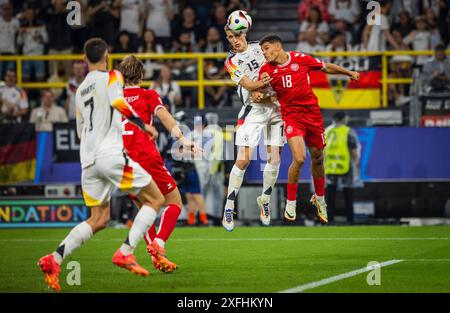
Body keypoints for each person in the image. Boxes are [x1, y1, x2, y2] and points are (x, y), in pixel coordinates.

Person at [37, 38, 164, 292]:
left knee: (99, 218)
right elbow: (119, 103)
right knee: (155, 199)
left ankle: (54, 258)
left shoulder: (80, 89)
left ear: (84, 58)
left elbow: (80, 130)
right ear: (106, 55)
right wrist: (144, 125)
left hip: (88, 160)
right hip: (110, 154)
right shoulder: (112, 76)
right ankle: (126, 252)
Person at [256, 35, 359, 224]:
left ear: (278, 47)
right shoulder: (265, 70)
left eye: (267, 48)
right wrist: (261, 89)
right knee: (300, 158)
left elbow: (326, 67)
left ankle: (320, 199)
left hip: (313, 115)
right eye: (262, 50)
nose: (264, 53)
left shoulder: (300, 59)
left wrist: (348, 72)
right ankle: (291, 202)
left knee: (318, 158)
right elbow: (258, 95)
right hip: (292, 117)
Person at [118, 54, 200, 271]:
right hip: (146, 156)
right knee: (174, 201)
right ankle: (159, 244)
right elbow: (165, 117)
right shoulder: (148, 95)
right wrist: (183, 139)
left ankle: (156, 259)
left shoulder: (114, 99)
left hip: (122, 160)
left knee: (144, 208)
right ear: (142, 75)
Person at [222, 25, 285, 232]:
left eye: (237, 35)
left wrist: (265, 93)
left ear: (245, 33)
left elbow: (277, 75)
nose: (235, 40)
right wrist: (258, 89)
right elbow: (249, 86)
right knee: (243, 159)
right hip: (253, 110)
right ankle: (229, 206)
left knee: (274, 159)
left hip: (276, 109)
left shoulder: (261, 47)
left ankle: (264, 200)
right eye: (230, 37)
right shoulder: (231, 62)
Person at [324, 111, 360, 224]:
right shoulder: (348, 131)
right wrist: (357, 162)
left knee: (330, 194)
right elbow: (353, 150)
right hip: (345, 165)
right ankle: (350, 219)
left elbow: (320, 149)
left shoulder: (326, 131)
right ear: (343, 119)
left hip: (330, 166)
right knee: (348, 193)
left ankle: (329, 219)